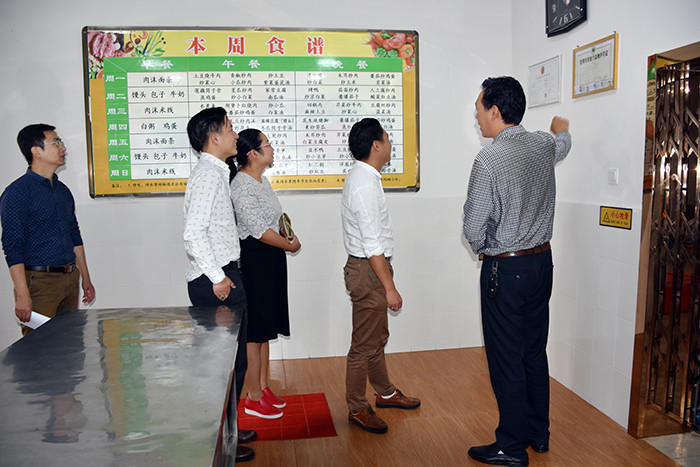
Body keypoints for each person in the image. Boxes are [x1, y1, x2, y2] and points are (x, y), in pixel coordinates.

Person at [462, 76, 571, 467]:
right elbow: (562, 144)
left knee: (506, 359)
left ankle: (510, 446)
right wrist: (563, 129)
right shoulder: (543, 144)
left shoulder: (488, 160)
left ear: (495, 111)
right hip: (542, 264)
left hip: (505, 270)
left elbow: (473, 227)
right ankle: (538, 434)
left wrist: (486, 247)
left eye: (479, 109)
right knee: (533, 353)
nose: (477, 117)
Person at [183, 107, 256, 463]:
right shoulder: (208, 176)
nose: (235, 134)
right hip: (216, 280)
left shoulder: (215, 172)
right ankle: (221, 442)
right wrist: (218, 278)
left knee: (233, 364)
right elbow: (193, 234)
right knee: (224, 368)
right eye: (229, 128)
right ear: (214, 137)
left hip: (221, 275)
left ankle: (229, 431)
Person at [341, 117, 421, 434]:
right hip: (368, 271)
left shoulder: (366, 177)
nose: (390, 143)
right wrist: (390, 287)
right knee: (363, 345)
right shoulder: (364, 183)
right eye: (387, 138)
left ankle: (385, 393)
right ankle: (357, 408)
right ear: (376, 145)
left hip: (371, 268)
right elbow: (372, 245)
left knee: (376, 338)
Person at [227, 129, 301, 420]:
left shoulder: (262, 180)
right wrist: (289, 245)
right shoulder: (241, 185)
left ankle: (263, 387)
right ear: (253, 153)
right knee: (255, 330)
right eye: (267, 144)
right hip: (255, 260)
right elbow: (258, 230)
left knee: (266, 328)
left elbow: (274, 220)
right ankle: (253, 396)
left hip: (271, 257)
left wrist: (287, 236)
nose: (272, 148)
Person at [1, 124, 95, 335]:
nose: (63, 148)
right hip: (40, 283)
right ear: (36, 151)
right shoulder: (17, 193)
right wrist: (23, 295)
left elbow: (74, 236)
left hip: (70, 279)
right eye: (56, 142)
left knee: (69, 344)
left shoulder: (63, 191)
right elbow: (12, 246)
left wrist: (85, 279)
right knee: (39, 348)